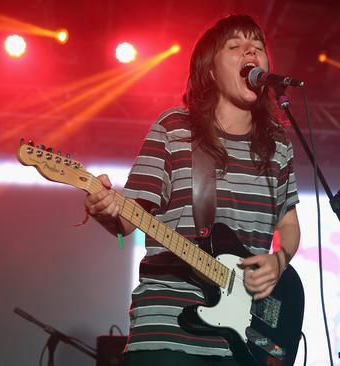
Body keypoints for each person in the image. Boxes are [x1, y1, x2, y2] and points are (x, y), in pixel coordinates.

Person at [84, 14, 301, 365]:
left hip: (248, 340)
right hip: (168, 328)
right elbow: (126, 221)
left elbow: (288, 225)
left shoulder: (278, 145)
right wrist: (104, 208)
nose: (251, 51)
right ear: (211, 71)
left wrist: (279, 259)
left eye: (257, 47)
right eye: (235, 46)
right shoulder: (174, 129)